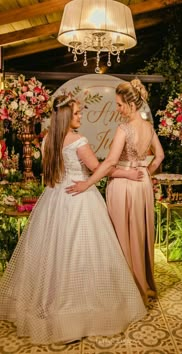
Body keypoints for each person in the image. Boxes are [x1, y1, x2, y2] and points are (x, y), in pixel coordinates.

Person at [0, 95, 147, 345]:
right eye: (77, 113)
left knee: (53, 253)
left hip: (54, 197)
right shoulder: (79, 140)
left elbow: (49, 175)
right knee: (82, 252)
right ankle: (77, 316)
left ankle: (46, 307)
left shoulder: (47, 139)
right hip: (79, 196)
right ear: (67, 116)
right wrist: (125, 173)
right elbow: (98, 167)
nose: (80, 117)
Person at [66, 79, 165, 304]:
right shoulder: (149, 128)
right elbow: (159, 156)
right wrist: (146, 173)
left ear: (130, 104)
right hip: (142, 185)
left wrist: (88, 183)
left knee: (121, 238)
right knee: (140, 234)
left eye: (119, 104)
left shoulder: (124, 128)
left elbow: (111, 161)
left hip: (123, 186)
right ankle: (145, 286)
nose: (117, 108)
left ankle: (128, 289)